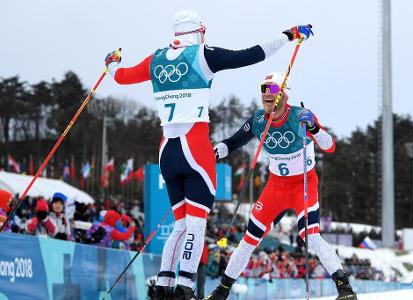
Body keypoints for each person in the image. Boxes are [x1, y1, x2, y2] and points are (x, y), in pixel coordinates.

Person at [105, 8, 313, 300]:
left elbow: (121, 77)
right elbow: (253, 54)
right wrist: (288, 35)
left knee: (178, 224)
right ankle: (185, 287)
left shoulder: (155, 58)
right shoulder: (203, 55)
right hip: (196, 149)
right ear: (199, 30)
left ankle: (164, 286)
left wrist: (110, 63)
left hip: (168, 151)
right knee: (195, 223)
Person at [205, 72, 358, 300]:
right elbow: (233, 142)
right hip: (276, 187)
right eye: (264, 88)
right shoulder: (258, 120)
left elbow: (330, 146)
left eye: (273, 89)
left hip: (302, 185)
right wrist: (213, 153)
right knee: (249, 239)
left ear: (285, 95)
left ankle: (344, 288)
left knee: (311, 237)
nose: (267, 93)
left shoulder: (299, 116)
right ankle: (222, 290)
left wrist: (314, 128)